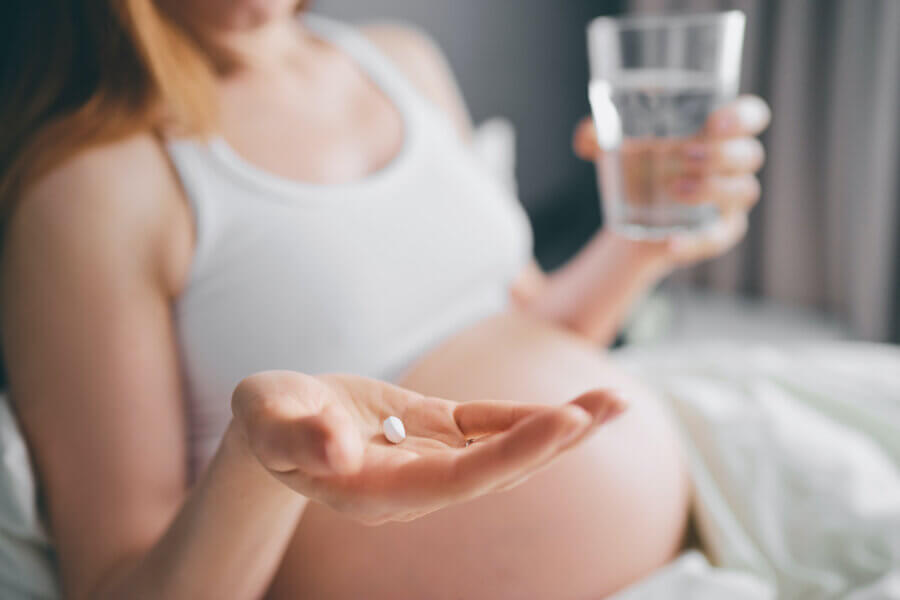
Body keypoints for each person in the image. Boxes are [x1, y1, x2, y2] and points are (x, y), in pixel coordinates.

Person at [0, 1, 769, 598]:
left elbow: (528, 325)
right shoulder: (91, 191)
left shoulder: (399, 62)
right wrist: (256, 461)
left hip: (692, 547)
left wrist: (645, 241)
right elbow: (117, 585)